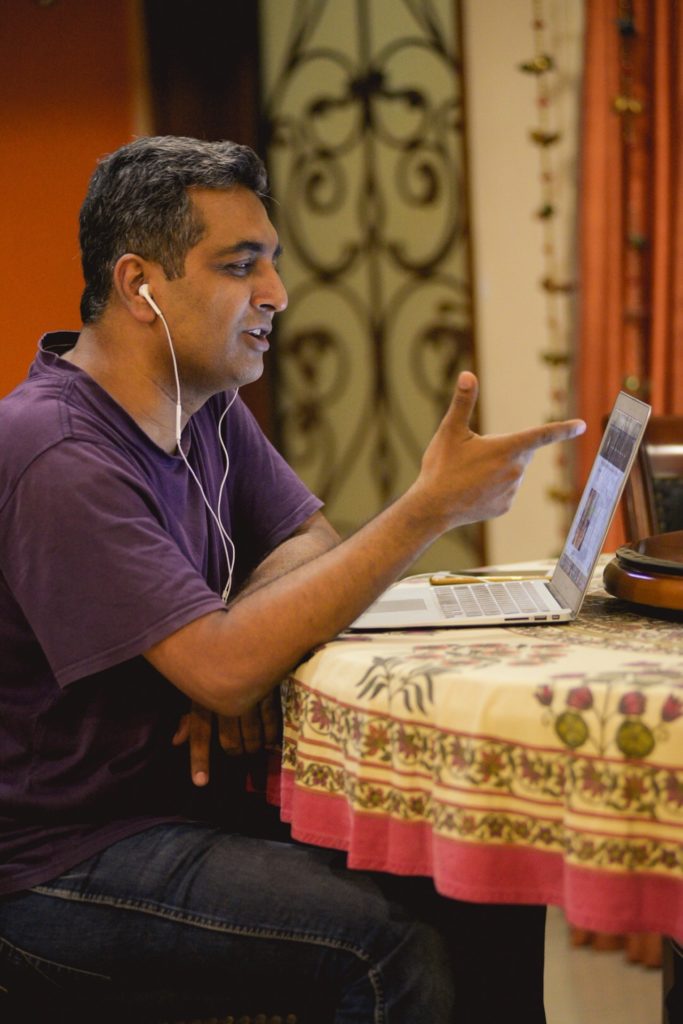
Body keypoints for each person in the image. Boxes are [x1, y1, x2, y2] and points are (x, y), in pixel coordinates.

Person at [0, 135, 584, 1024]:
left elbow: (308, 540)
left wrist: (231, 636)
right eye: (241, 267)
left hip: (176, 807)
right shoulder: (57, 452)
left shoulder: (203, 406)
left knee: (482, 869)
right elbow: (225, 669)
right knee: (387, 944)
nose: (276, 293)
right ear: (138, 285)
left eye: (270, 262)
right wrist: (425, 509)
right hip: (58, 860)